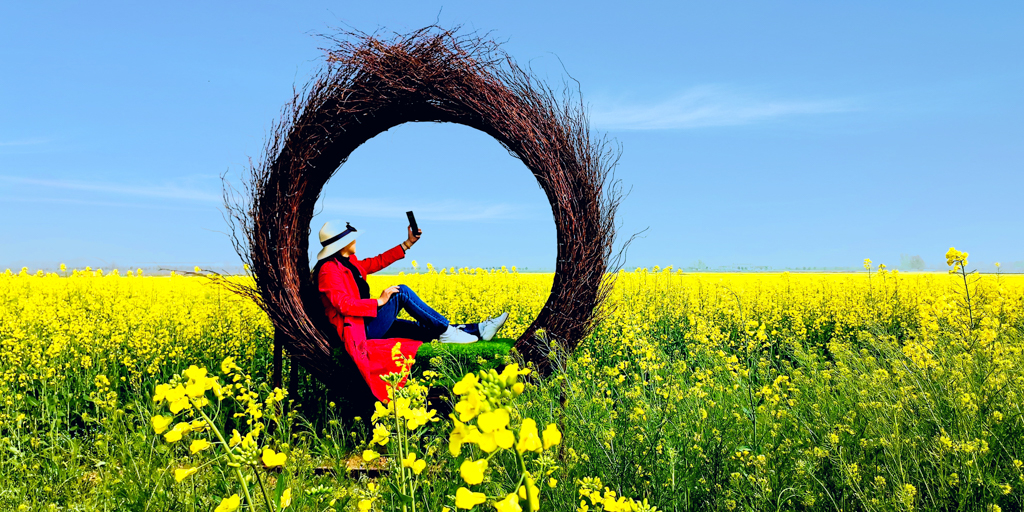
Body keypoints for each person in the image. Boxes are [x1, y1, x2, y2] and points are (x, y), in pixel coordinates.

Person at [311, 219, 509, 401]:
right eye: (351, 237)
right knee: (401, 293)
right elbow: (343, 304)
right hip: (359, 331)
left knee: (420, 330)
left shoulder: (348, 263)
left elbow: (375, 262)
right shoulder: (328, 270)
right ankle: (446, 330)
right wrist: (379, 302)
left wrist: (407, 244)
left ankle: (480, 329)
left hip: (367, 322)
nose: (355, 240)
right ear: (342, 243)